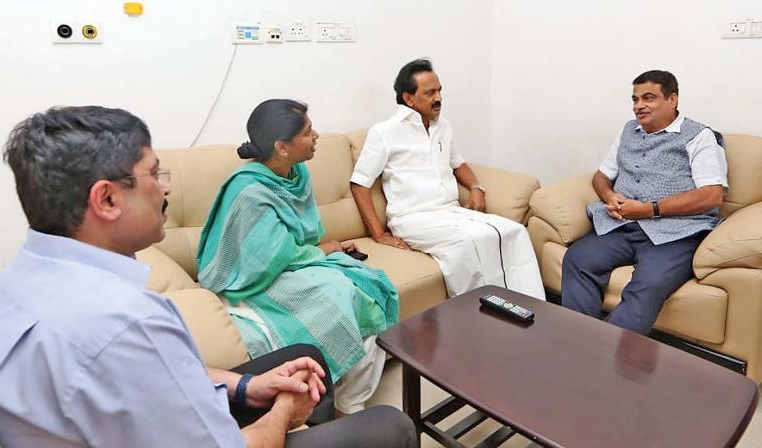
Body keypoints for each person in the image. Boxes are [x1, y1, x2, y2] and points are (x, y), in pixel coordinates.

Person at [0, 106, 416, 448]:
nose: (166, 187)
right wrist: (281, 412)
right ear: (106, 200)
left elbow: (156, 379)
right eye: (152, 174)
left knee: (302, 354)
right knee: (391, 425)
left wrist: (247, 385)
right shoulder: (129, 323)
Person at [197, 99, 400, 415]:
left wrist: (323, 249)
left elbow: (300, 235)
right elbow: (262, 260)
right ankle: (336, 400)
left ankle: (349, 399)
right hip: (255, 279)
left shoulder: (298, 173)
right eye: (307, 132)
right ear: (282, 146)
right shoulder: (250, 190)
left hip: (294, 263)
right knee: (341, 290)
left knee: (368, 287)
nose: (316, 135)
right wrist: (324, 251)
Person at [350, 58, 545, 299]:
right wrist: (379, 235)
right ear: (408, 98)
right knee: (468, 243)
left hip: (451, 212)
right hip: (412, 218)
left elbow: (458, 163)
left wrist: (476, 187)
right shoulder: (384, 132)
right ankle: (478, 316)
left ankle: (529, 309)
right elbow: (359, 183)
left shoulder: (443, 126)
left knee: (513, 231)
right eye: (429, 92)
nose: (438, 98)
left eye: (439, 90)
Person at [561, 70, 728, 334]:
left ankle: (603, 357)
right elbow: (600, 177)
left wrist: (650, 209)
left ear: (672, 99)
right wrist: (609, 196)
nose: (639, 106)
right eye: (635, 99)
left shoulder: (700, 136)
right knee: (578, 259)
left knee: (648, 285)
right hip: (622, 226)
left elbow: (712, 195)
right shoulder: (629, 129)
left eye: (648, 98)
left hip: (676, 233)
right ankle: (579, 340)